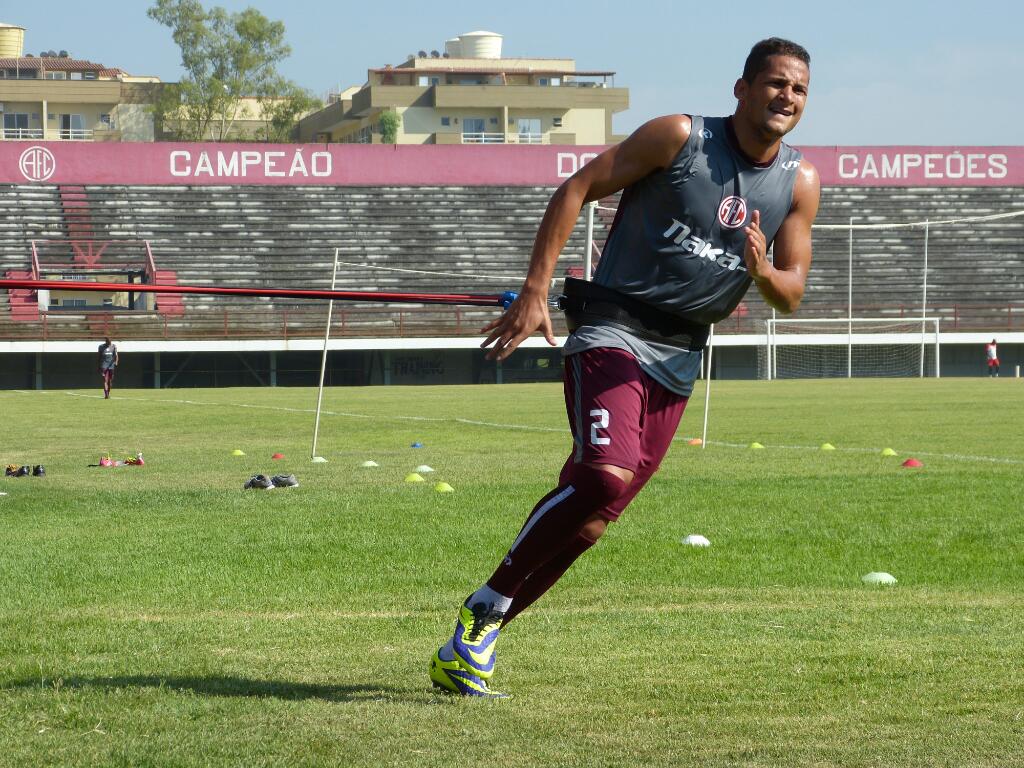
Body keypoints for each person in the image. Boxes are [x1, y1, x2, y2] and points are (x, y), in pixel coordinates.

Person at [428, 37, 820, 697]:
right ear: (743, 88)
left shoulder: (800, 182)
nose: (788, 98)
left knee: (591, 519)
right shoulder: (679, 137)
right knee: (604, 475)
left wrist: (761, 270)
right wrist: (534, 289)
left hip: (681, 356)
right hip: (614, 330)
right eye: (776, 84)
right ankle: (485, 603)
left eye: (800, 90)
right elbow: (578, 186)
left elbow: (792, 292)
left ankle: (470, 645)